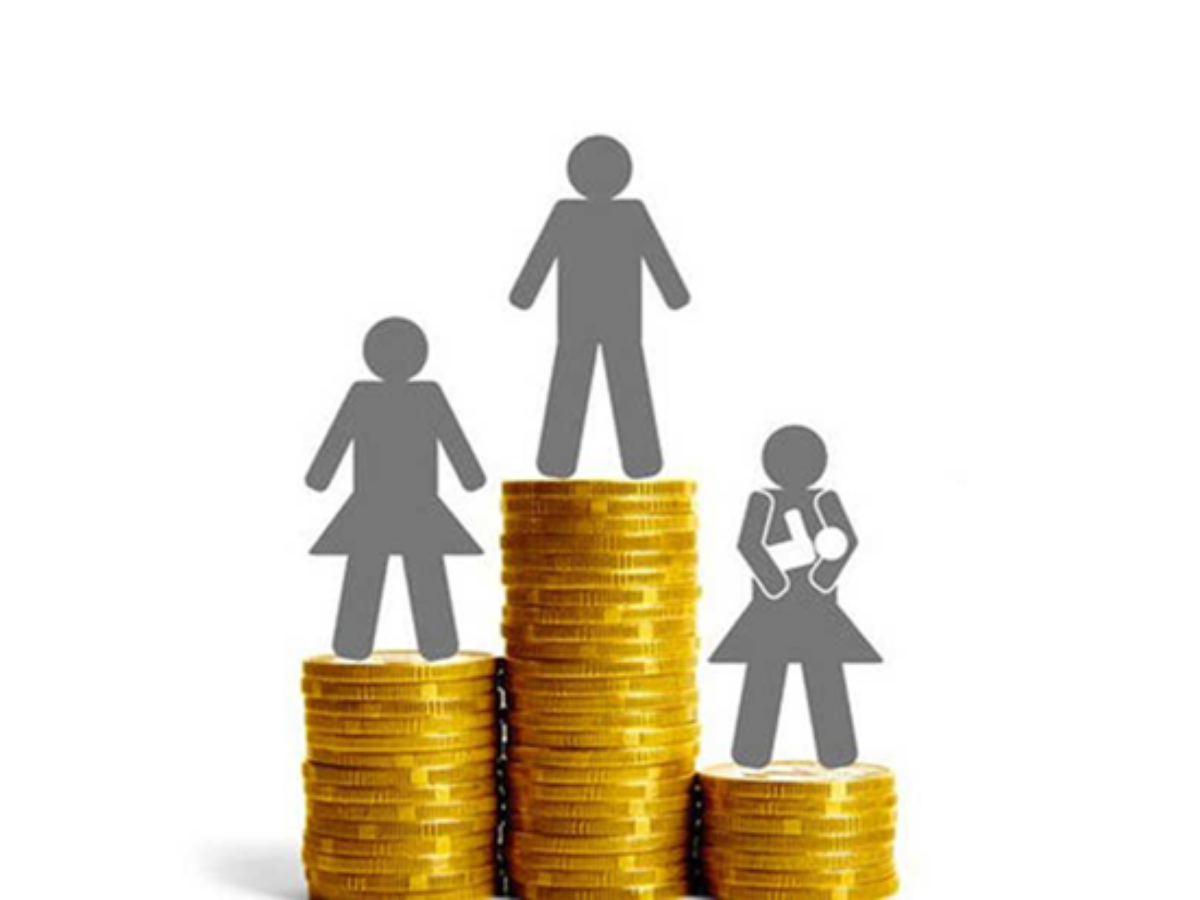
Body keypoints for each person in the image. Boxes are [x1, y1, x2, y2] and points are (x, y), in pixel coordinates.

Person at [305, 318, 486, 661]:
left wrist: (320, 477)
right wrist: (470, 477)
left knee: (370, 571)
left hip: (376, 507)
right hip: (413, 507)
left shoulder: (365, 397)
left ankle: (354, 643)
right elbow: (454, 441)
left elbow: (336, 442)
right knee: (419, 571)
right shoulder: (425, 396)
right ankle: (436, 643)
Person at [510, 135, 690, 479]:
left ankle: (556, 461)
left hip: (577, 321)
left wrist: (524, 295)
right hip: (621, 321)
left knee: (571, 383)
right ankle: (642, 461)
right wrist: (674, 295)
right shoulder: (629, 214)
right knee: (627, 383)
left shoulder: (568, 214)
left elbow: (540, 259)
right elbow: (658, 259)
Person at [711, 426, 881, 769]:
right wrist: (775, 584)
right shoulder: (763, 501)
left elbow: (845, 542)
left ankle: (837, 751)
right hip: (773, 608)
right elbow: (749, 544)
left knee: (824, 674)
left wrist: (820, 579)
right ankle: (752, 752)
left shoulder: (824, 501)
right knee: (765, 673)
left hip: (815, 606)